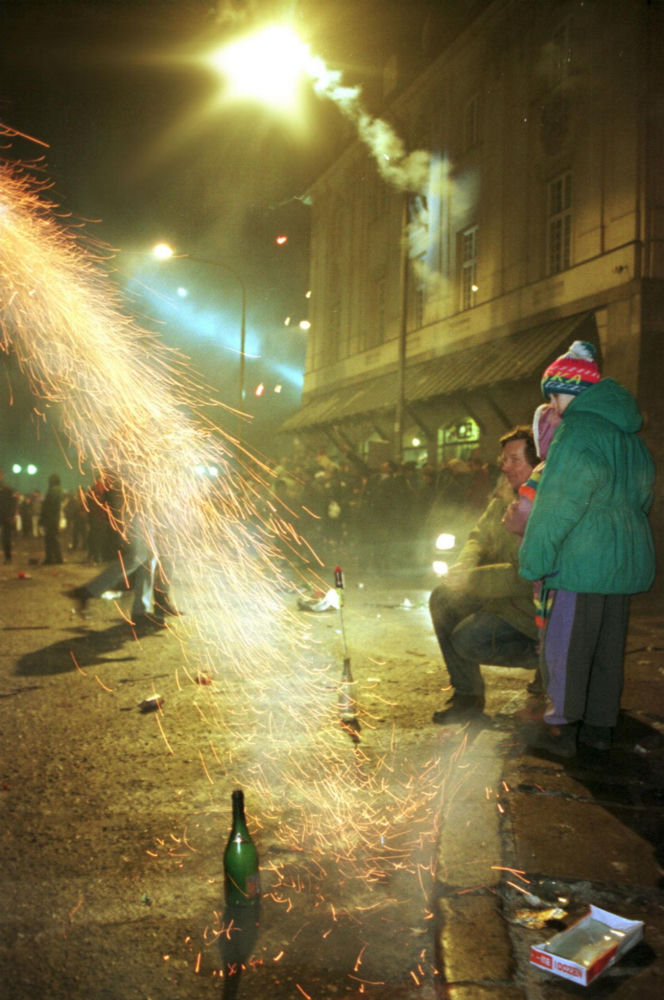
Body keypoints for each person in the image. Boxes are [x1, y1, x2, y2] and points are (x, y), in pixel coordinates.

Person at [519, 341, 656, 757]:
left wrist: (534, 559)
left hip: (582, 560)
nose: (554, 409)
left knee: (568, 646)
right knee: (606, 648)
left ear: (572, 392)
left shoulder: (578, 432)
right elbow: (644, 499)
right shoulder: (629, 436)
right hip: (623, 559)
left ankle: (561, 730)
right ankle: (599, 728)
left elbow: (559, 503)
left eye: (556, 397)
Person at [428, 427, 540, 724]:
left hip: (528, 609)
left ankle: (546, 660)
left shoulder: (542, 504)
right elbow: (478, 537)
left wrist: (471, 579)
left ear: (538, 462)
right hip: (500, 599)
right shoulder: (505, 497)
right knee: (443, 599)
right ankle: (467, 696)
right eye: (504, 460)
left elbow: (523, 577)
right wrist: (465, 567)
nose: (505, 467)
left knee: (468, 638)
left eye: (514, 460)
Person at [40, 473, 63, 565]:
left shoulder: (53, 491)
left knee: (50, 539)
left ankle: (51, 558)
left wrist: (43, 518)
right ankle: (57, 557)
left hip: (50, 519)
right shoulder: (58, 491)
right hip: (54, 518)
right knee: (53, 538)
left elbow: (49, 506)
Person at [0, 471, 17, 564]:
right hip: (6, 516)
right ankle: (8, 558)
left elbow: (13, 503)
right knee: (6, 538)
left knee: (6, 538)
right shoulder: (7, 489)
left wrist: (12, 515)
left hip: (6, 516)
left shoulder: (7, 489)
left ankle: (8, 558)